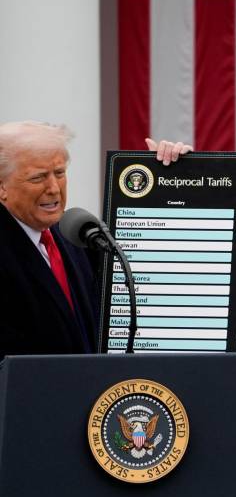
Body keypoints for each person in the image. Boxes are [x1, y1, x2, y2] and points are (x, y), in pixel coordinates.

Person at [0, 121, 191, 360]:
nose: (54, 189)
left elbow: (149, 272)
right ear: (2, 187)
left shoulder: (74, 234)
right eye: (38, 178)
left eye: (59, 173)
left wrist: (168, 182)